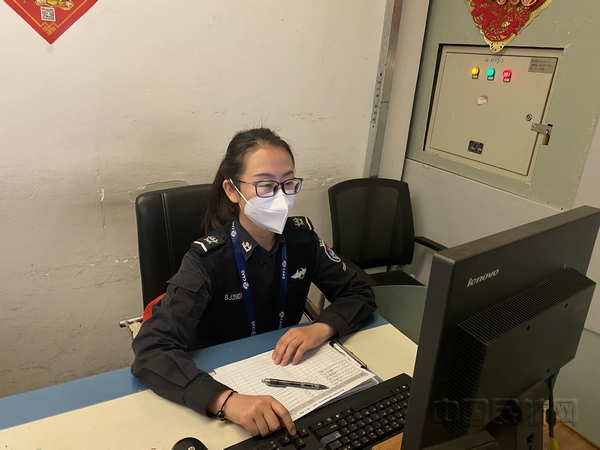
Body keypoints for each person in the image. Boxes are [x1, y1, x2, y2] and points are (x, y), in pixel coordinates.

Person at [131, 127, 376, 438]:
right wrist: (224, 401)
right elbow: (151, 348)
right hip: (223, 379)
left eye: (288, 183)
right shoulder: (206, 260)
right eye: (265, 185)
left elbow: (359, 291)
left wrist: (321, 328)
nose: (281, 197)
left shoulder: (304, 241)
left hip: (291, 372)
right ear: (233, 191)